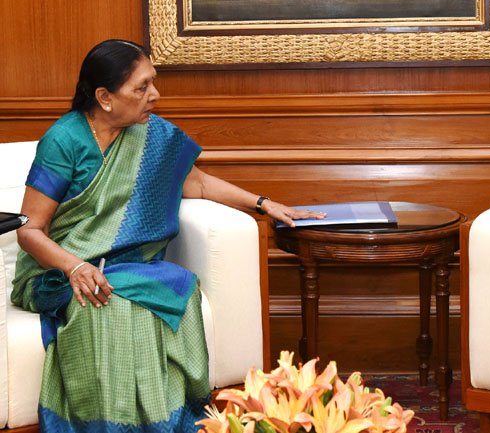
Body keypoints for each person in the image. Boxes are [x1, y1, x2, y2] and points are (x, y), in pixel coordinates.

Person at [12, 39, 324, 432]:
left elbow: (199, 184)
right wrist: (75, 267)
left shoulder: (151, 135)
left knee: (173, 289)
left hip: (130, 266)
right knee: (111, 308)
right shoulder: (65, 140)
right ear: (105, 97)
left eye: (153, 82)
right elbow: (29, 230)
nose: (154, 95)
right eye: (141, 88)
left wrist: (264, 203)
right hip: (61, 271)